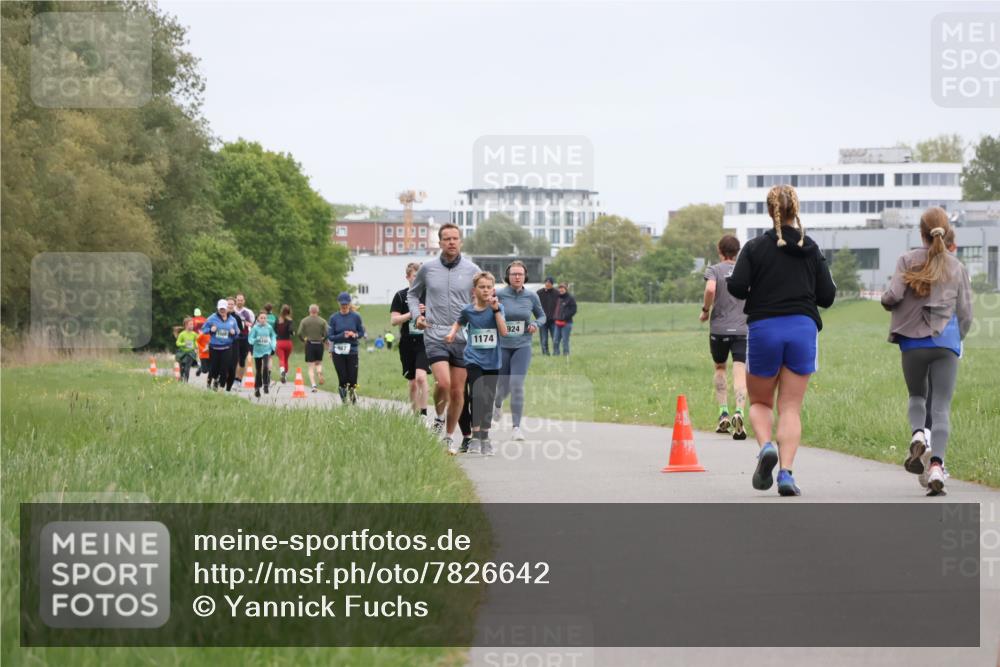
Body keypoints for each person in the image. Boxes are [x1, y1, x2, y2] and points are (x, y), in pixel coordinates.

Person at [727, 184, 836, 497]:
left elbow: (737, 286)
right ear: (795, 210)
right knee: (790, 406)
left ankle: (766, 449)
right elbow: (827, 296)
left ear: (769, 210)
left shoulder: (755, 248)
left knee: (760, 401)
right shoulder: (811, 248)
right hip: (803, 328)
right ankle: (786, 474)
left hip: (765, 328)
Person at [881, 207, 973, 496]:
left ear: (921, 233)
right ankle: (936, 466)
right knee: (942, 406)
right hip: (946, 342)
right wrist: (959, 339)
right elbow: (966, 313)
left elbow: (893, 296)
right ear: (945, 233)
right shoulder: (956, 267)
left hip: (912, 342)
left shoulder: (906, 260)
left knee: (917, 395)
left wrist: (887, 300)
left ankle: (918, 434)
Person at [408, 223, 479, 454]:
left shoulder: (472, 270)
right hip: (436, 332)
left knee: (458, 391)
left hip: (462, 335)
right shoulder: (428, 269)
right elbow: (412, 293)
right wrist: (418, 315)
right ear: (439, 243)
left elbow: (485, 295)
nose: (451, 242)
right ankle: (438, 418)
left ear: (460, 242)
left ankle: (449, 436)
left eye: (455, 238)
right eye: (446, 238)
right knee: (444, 383)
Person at [445, 271, 508, 456]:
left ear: (493, 289)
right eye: (482, 287)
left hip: (493, 361)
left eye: (489, 287)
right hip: (473, 359)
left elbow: (503, 332)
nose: (486, 290)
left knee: (487, 399)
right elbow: (459, 322)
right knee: (476, 395)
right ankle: (474, 435)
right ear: (475, 290)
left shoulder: (498, 308)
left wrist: (496, 310)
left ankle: (485, 437)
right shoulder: (468, 310)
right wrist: (451, 333)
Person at [701, 235, 749, 440]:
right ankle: (739, 412)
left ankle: (723, 413)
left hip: (719, 330)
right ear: (737, 251)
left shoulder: (714, 270)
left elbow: (710, 288)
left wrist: (705, 310)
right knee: (740, 371)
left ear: (720, 251)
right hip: (742, 329)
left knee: (720, 367)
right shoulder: (745, 270)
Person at [494, 260, 546, 441]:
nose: (517, 277)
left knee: (516, 385)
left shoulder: (531, 297)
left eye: (520, 274)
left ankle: (516, 427)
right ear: (508, 276)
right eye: (514, 274)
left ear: (525, 276)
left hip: (522, 345)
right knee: (503, 385)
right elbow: (487, 313)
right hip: (502, 345)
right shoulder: (499, 294)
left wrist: (535, 323)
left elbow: (542, 316)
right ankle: (498, 403)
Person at [391, 262, 430, 417]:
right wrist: (411, 314)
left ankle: (424, 414)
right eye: (415, 276)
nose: (418, 279)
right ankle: (414, 414)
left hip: (425, 342)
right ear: (408, 277)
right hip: (407, 343)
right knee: (413, 383)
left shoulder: (430, 295)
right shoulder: (400, 296)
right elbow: (393, 321)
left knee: (421, 378)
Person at [328, 291, 365, 404]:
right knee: (343, 378)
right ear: (339, 304)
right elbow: (330, 336)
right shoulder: (334, 318)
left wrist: (354, 335)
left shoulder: (356, 317)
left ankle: (353, 400)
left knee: (352, 379)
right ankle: (344, 402)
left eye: (346, 304)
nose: (344, 306)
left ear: (349, 304)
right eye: (342, 304)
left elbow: (361, 332)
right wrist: (341, 335)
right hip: (338, 352)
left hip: (352, 351)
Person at [202, 299, 241, 392]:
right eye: (220, 309)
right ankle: (212, 381)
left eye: (224, 308)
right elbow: (203, 330)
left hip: (227, 347)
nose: (222, 310)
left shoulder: (232, 320)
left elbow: (237, 333)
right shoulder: (212, 318)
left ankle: (221, 387)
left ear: (227, 308)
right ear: (217, 308)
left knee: (224, 368)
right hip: (214, 347)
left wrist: (233, 333)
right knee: (214, 368)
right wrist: (211, 330)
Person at [296, 304, 328, 392]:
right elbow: (327, 333)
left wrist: (303, 340)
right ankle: (319, 373)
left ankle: (314, 385)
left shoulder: (304, 321)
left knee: (310, 366)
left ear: (309, 311)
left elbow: (299, 333)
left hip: (310, 344)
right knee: (318, 363)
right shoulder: (323, 321)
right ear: (318, 311)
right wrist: (324, 339)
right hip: (319, 344)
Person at [247, 312, 277, 398]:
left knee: (265, 367)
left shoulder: (269, 327)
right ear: (258, 319)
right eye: (261, 318)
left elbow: (273, 336)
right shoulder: (255, 328)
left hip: (266, 350)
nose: (263, 320)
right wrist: (256, 339)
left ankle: (266, 384)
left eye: (265, 318)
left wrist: (273, 345)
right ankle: (257, 388)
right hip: (257, 351)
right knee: (258, 370)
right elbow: (250, 338)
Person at [232, 293, 255, 384]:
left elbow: (253, 325)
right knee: (233, 359)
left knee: (242, 360)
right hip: (233, 338)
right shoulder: (232, 311)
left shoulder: (248, 312)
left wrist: (248, 324)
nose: (240, 302)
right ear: (235, 300)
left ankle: (239, 380)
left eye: (241, 300)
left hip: (245, 338)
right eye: (238, 300)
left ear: (244, 301)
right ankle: (232, 378)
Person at [552, 283, 577, 357]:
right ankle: (556, 355)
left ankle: (566, 355)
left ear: (566, 289)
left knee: (565, 341)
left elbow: (574, 310)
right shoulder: (557, 298)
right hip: (557, 322)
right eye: (560, 289)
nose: (561, 290)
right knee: (555, 340)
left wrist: (565, 316)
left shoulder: (570, 298)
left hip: (567, 323)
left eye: (563, 289)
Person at [536, 277, 559, 355]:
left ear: (552, 284)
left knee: (555, 339)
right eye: (546, 282)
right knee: (544, 339)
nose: (547, 284)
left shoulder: (557, 293)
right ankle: (545, 354)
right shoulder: (539, 293)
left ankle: (556, 353)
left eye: (549, 282)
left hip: (554, 320)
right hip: (542, 321)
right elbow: (535, 305)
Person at [174, 317, 199, 382]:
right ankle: (181, 379)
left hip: (190, 353)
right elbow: (177, 343)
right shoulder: (182, 334)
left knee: (187, 369)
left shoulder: (194, 334)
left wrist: (196, 345)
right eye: (190, 324)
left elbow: (197, 341)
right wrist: (184, 344)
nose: (192, 326)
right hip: (182, 353)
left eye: (192, 324)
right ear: (186, 325)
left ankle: (186, 382)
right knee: (181, 369)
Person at [274, 304, 294, 383]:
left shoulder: (277, 320)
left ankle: (282, 371)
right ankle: (285, 376)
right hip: (288, 343)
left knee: (281, 359)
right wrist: (293, 333)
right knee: (286, 359)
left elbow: (274, 330)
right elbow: (291, 331)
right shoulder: (290, 320)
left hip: (279, 342)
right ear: (289, 311)